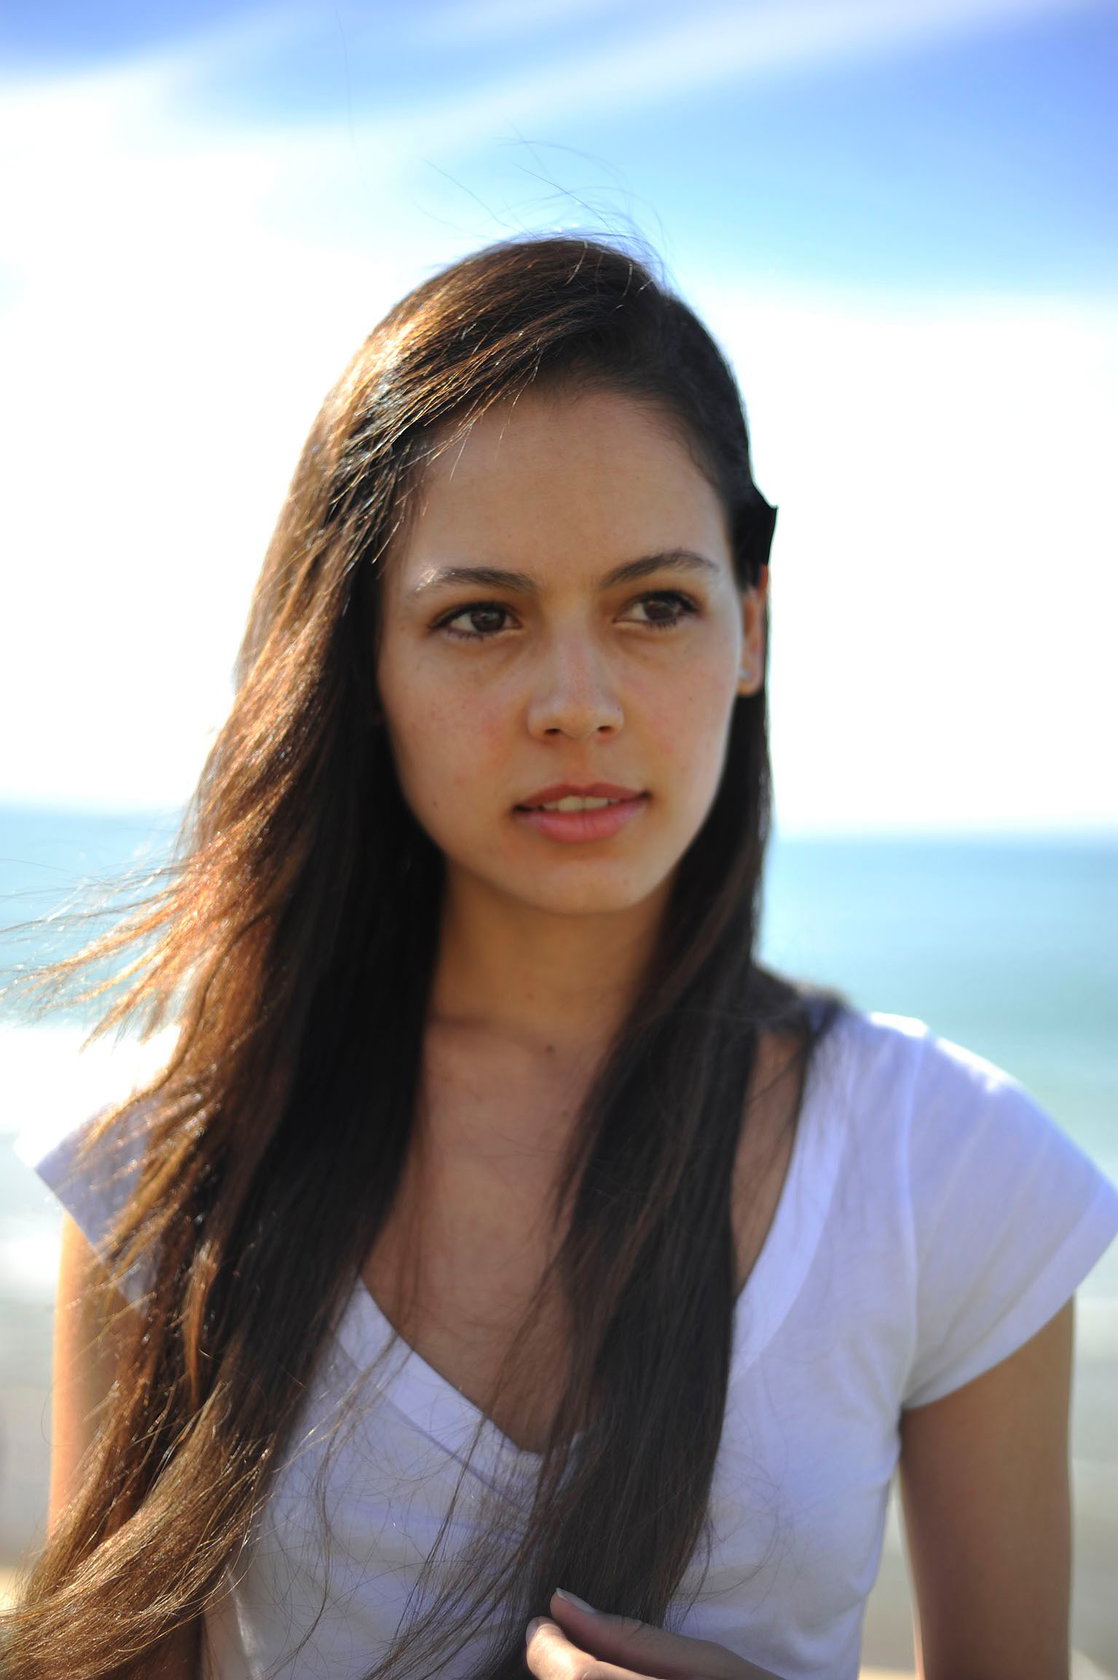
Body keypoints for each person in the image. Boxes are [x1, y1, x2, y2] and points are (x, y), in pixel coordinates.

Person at [7, 235, 1116, 1680]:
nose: (576, 702)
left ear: (750, 629)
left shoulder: (948, 1167)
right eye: (481, 617)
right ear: (364, 661)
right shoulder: (181, 1174)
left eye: (656, 604)